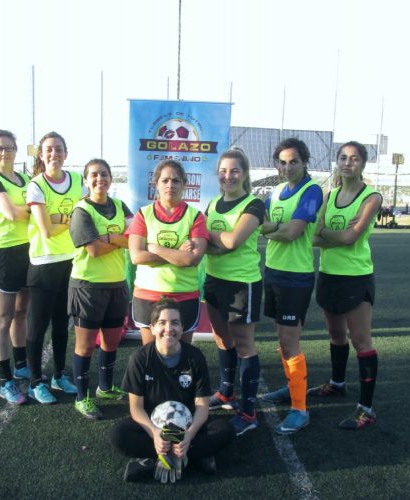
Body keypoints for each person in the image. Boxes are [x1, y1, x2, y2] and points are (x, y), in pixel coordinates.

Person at [110, 297, 234, 482]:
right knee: (117, 435)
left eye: (175, 323)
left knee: (225, 430)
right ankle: (192, 457)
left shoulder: (195, 357)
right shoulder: (140, 358)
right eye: (162, 323)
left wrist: (189, 436)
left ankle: (158, 459)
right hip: (154, 427)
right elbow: (136, 408)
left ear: (182, 328)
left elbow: (202, 406)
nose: (169, 329)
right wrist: (154, 434)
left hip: (188, 426)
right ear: (152, 328)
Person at [309, 141, 382, 430]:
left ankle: (366, 409)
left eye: (353, 159)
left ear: (363, 164)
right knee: (336, 335)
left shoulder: (371, 197)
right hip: (329, 274)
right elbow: (314, 236)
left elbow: (351, 238)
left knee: (361, 340)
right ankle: (337, 384)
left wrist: (328, 231)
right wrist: (333, 232)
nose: (347, 163)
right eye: (343, 158)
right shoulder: (332, 194)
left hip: (356, 277)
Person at [260, 138, 323, 435]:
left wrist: (276, 230)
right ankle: (290, 387)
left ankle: (300, 409)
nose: (287, 168)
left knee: (290, 341)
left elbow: (293, 233)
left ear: (304, 162)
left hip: (295, 277)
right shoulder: (275, 191)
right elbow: (266, 227)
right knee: (281, 337)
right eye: (282, 162)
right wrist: (277, 229)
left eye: (293, 162)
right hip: (272, 271)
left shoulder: (311, 191)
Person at [204, 147, 265, 436]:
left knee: (244, 346)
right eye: (224, 171)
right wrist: (217, 240)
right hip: (214, 280)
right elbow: (212, 243)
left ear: (245, 174)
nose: (228, 176)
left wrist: (212, 238)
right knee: (221, 338)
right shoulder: (214, 203)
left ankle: (249, 412)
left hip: (242, 284)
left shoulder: (254, 204)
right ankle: (227, 392)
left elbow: (232, 242)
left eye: (235, 171)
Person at [68, 159, 133, 419]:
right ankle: (81, 397)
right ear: (86, 180)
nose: (99, 179)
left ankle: (105, 387)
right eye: (94, 175)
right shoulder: (81, 210)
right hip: (88, 286)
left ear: (110, 178)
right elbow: (93, 250)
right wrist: (120, 240)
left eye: (104, 174)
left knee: (112, 341)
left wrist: (107, 238)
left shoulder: (120, 206)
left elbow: (135, 238)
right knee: (85, 346)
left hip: (117, 283)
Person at [25, 131, 87, 404]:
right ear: (41, 154)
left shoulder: (77, 181)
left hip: (71, 262)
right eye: (49, 149)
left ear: (66, 153)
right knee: (37, 326)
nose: (54, 154)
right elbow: (47, 230)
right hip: (44, 263)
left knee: (63, 324)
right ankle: (35, 381)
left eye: (59, 149)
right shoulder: (36, 185)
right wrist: (70, 216)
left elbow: (86, 218)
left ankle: (59, 375)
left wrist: (60, 216)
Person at [127, 159, 208, 345]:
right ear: (156, 184)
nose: (170, 185)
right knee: (150, 356)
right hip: (148, 295)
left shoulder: (195, 216)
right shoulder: (143, 214)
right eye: (164, 180)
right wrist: (177, 253)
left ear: (184, 184)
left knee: (183, 356)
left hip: (184, 295)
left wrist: (154, 247)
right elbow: (136, 256)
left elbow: (192, 259)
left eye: (176, 180)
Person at [0, 130, 31, 405]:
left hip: (28, 252)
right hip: (4, 255)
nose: (5, 152)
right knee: (3, 318)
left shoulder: (23, 179)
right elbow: (11, 213)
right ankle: (5, 381)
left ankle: (21, 363)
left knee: (21, 312)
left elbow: (25, 207)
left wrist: (33, 208)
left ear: (16, 150)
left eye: (9, 147)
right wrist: (36, 210)